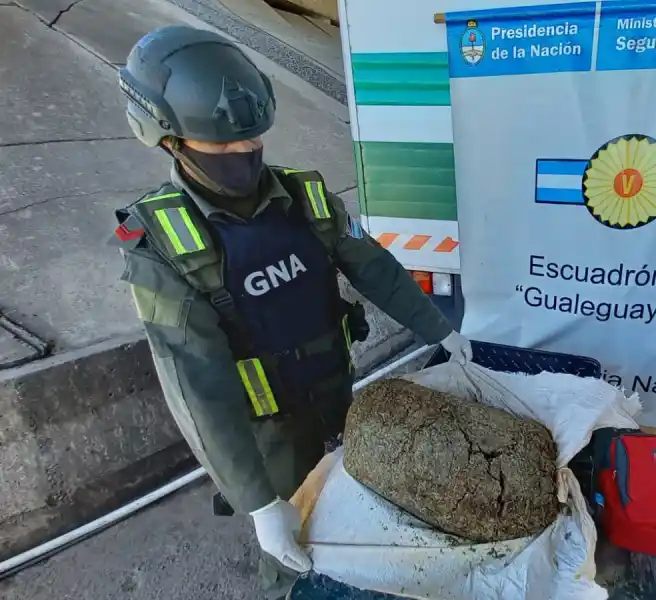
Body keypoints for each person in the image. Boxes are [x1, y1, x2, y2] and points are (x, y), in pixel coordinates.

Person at [111, 25, 472, 600]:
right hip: (267, 434)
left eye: (252, 142)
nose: (244, 156)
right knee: (293, 552)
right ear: (169, 139)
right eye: (222, 148)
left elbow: (371, 266)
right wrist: (257, 502)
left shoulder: (303, 197)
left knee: (354, 511)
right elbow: (197, 389)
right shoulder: (163, 247)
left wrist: (442, 332)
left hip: (336, 393)